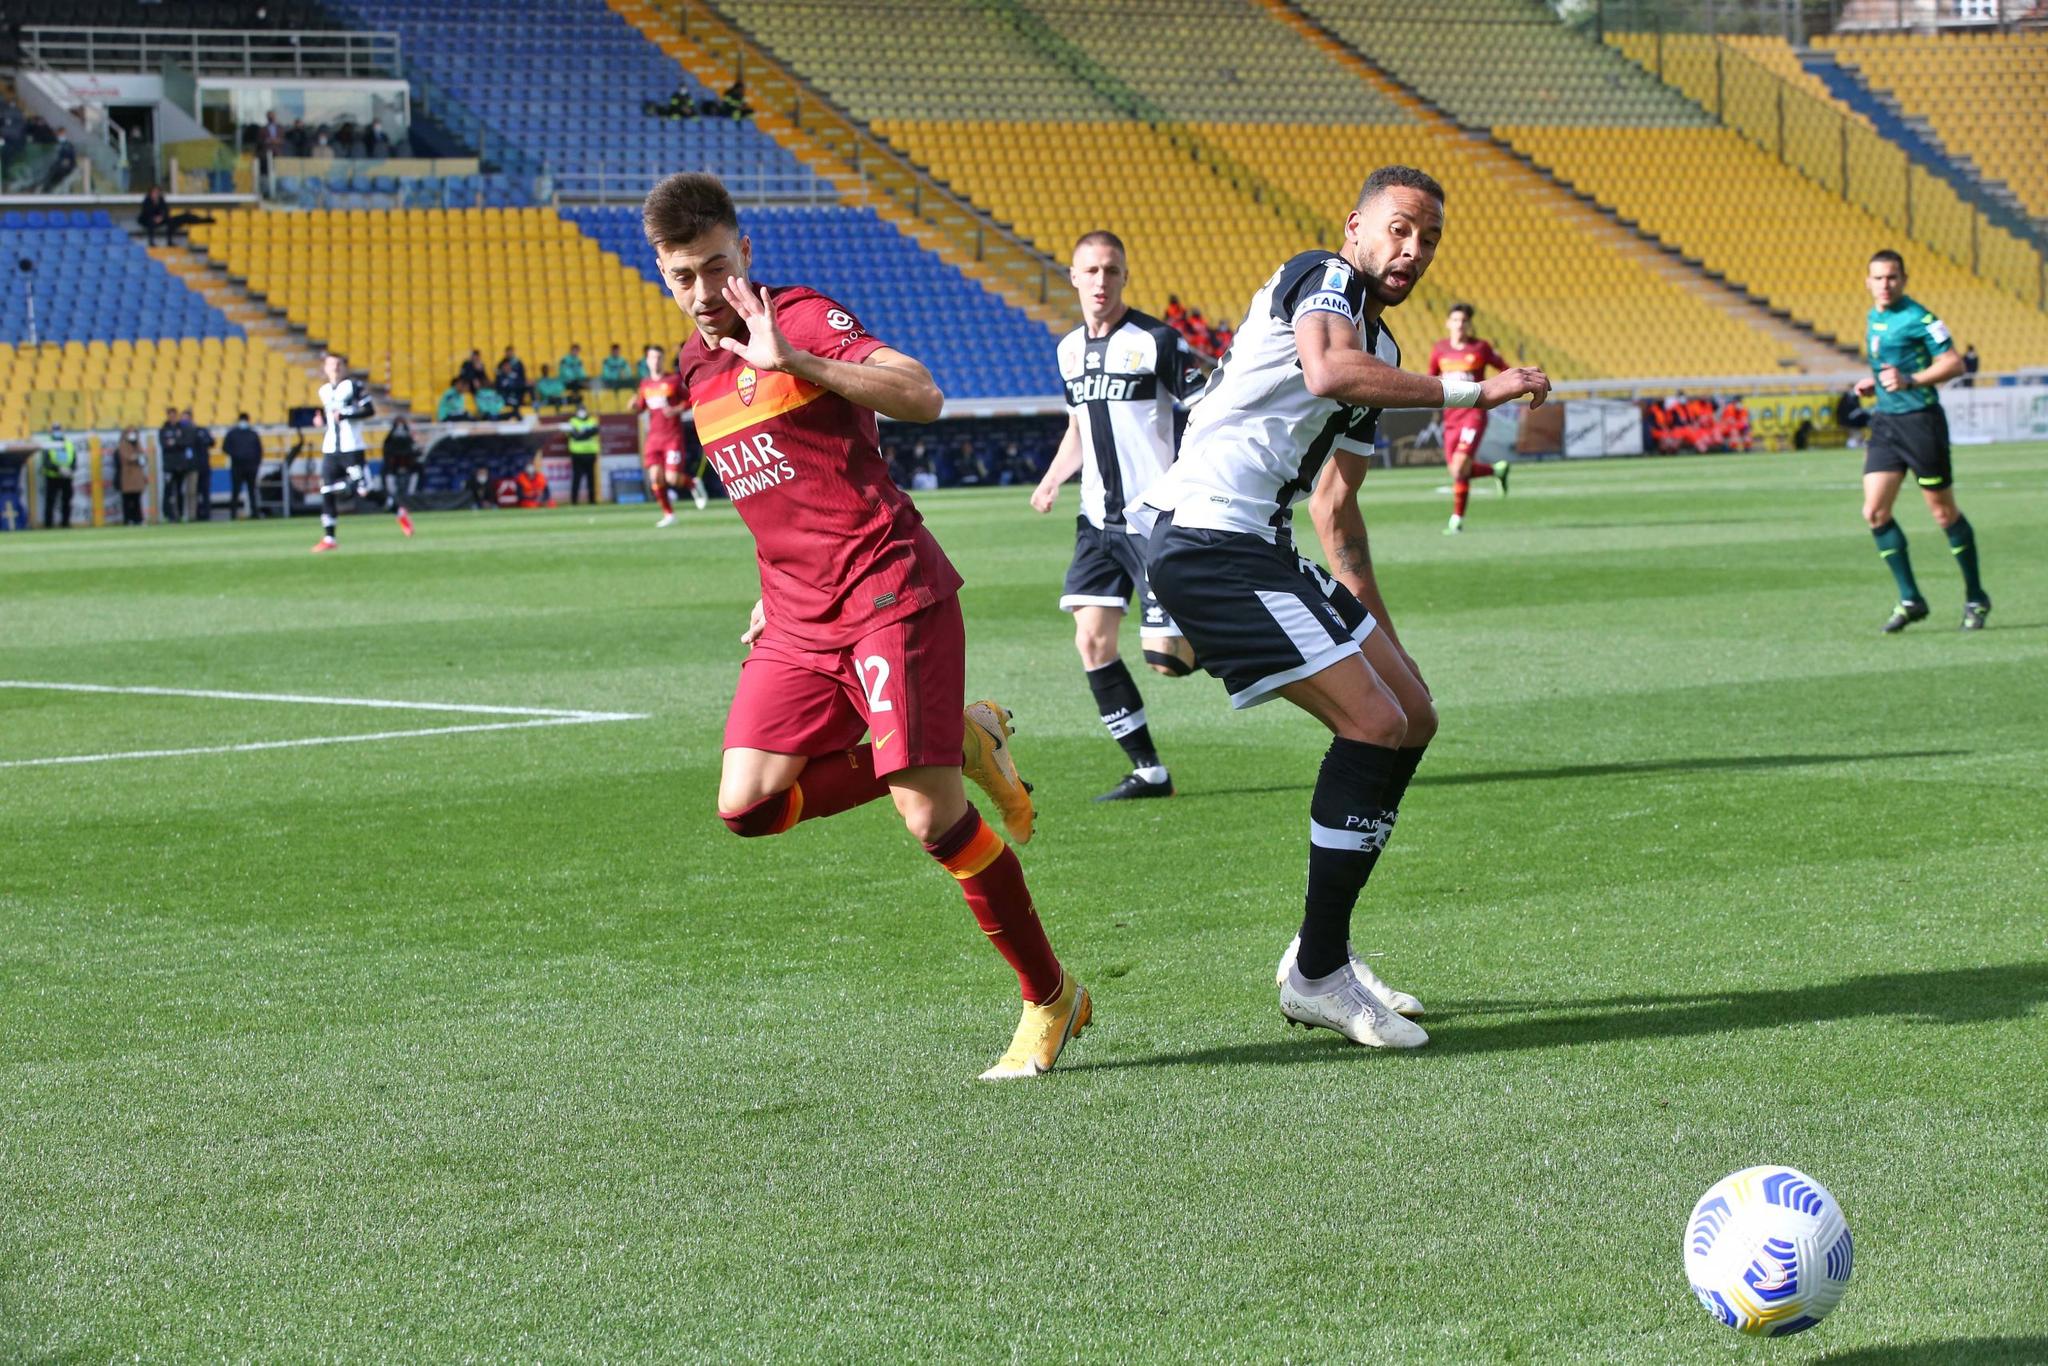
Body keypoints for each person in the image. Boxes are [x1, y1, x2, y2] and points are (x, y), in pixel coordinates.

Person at [648, 170, 1087, 1080]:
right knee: (748, 807)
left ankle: (1050, 1000)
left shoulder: (799, 318)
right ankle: (960, 738)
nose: (702, 294)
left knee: (930, 818)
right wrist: (772, 584)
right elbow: (773, 485)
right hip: (799, 618)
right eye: (683, 274)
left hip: (889, 592)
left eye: (717, 268)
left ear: (747, 255)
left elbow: (920, 394)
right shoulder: (692, 366)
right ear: (662, 271)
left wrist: (793, 360)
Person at [1136, 165, 1549, 1049]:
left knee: (1412, 715)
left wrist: (1386, 645)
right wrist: (1482, 388)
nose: (1412, 250)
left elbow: (1335, 507)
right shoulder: (1321, 276)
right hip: (1208, 540)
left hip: (1264, 544)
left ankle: (1321, 954)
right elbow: (1324, 370)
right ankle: (1319, 973)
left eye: (1429, 239)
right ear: (1356, 226)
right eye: (1399, 229)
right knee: (1370, 725)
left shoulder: (1387, 355)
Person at [1031, 229, 1202, 802]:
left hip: (1153, 521)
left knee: (1166, 662)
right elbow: (1078, 427)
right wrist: (1054, 477)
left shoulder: (1157, 340)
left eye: (1111, 270)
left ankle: (1239, 626)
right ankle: (1149, 771)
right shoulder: (1066, 351)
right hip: (1094, 523)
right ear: (1074, 278)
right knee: (1092, 642)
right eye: (1091, 271)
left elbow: (1209, 411)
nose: (1101, 281)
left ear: (1124, 276)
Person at [1857, 249, 1987, 633]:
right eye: (1878, 278)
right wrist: (1875, 382)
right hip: (1885, 424)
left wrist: (1911, 381)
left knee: (1944, 514)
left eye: (1892, 277)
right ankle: (1911, 598)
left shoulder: (1920, 318)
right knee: (1875, 512)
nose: (1885, 284)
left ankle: (1976, 597)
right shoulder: (1873, 317)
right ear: (1868, 282)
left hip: (1921, 424)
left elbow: (1953, 362)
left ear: (1904, 279)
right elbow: (1889, 367)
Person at [311, 352, 413, 551]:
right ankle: (330, 538)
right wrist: (321, 422)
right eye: (331, 365)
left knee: (364, 491)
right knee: (326, 490)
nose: (335, 368)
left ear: (344, 367)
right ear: (325, 368)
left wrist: (347, 413)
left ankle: (398, 510)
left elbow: (369, 410)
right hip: (331, 448)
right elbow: (330, 417)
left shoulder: (353, 387)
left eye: (338, 364)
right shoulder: (323, 391)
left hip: (352, 448)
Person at [1426, 303, 1513, 533]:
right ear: (1448, 323)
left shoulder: (1481, 348)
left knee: (1459, 467)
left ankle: (1456, 520)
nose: (1459, 325)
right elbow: (1431, 381)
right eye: (1455, 320)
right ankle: (1497, 470)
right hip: (1450, 415)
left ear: (1469, 324)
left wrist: (1500, 391)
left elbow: (1505, 369)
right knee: (1458, 470)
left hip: (1473, 413)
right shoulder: (1440, 350)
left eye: (1463, 321)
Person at [631, 342, 704, 525]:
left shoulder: (672, 381)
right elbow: (640, 408)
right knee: (655, 477)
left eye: (658, 357)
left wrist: (676, 409)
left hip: (672, 437)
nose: (655, 361)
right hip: (653, 438)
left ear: (662, 360)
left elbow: (690, 399)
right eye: (652, 358)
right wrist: (634, 406)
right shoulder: (645, 384)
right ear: (646, 361)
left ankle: (692, 484)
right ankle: (669, 514)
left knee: (672, 478)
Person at [223, 412, 263, 518]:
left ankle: (243, 513)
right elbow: (259, 451)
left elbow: (225, 448)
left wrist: (236, 455)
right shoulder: (251, 434)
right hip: (243, 466)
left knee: (245, 491)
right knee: (243, 491)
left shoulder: (234, 433)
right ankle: (242, 513)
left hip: (242, 466)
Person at [38, 423, 77, 528]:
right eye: (55, 430)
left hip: (67, 477)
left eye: (58, 429)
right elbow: (46, 462)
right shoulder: (48, 444)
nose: (57, 432)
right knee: (50, 501)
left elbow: (73, 459)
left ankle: (65, 523)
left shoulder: (68, 443)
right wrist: (58, 469)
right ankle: (48, 524)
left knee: (66, 501)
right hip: (52, 476)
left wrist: (70, 469)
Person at [157, 406, 190, 522]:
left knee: (180, 490)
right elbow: (164, 445)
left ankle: (180, 514)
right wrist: (176, 443)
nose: (172, 418)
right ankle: (167, 514)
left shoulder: (182, 428)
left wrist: (174, 442)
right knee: (168, 490)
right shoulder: (163, 430)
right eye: (170, 415)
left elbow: (185, 443)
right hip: (169, 465)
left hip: (181, 464)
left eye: (174, 415)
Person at [565, 403, 602, 505]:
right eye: (580, 410)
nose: (582, 412)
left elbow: (595, 430)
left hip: (591, 453)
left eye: (583, 410)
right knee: (577, 478)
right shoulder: (573, 421)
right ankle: (574, 501)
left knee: (591, 478)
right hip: (577, 453)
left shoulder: (592, 420)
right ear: (576, 412)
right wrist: (587, 432)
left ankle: (592, 500)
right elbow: (574, 435)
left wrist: (582, 433)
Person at [382, 416, 420, 510]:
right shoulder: (390, 438)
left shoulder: (409, 438)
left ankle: (411, 494)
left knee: (417, 470)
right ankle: (393, 495)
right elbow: (386, 451)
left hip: (408, 464)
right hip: (393, 466)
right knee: (387, 472)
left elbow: (415, 450)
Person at [183, 409, 215, 521]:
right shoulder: (182, 432)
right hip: (191, 467)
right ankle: (194, 514)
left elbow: (211, 442)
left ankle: (206, 514)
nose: (184, 421)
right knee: (192, 491)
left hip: (204, 465)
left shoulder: (201, 430)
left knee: (205, 491)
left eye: (186, 418)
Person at [114, 427, 148, 525]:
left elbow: (143, 457)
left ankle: (138, 518)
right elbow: (127, 458)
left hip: (137, 475)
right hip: (127, 476)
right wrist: (137, 457)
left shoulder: (138, 444)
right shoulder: (123, 445)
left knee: (137, 499)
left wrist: (139, 458)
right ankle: (128, 519)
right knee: (127, 499)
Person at [494, 347, 529, 413]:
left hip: (514, 394)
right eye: (505, 366)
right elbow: (499, 387)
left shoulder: (516, 369)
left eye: (508, 366)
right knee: (514, 402)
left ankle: (532, 402)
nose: (507, 367)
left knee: (526, 386)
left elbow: (521, 378)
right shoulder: (500, 376)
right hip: (505, 396)